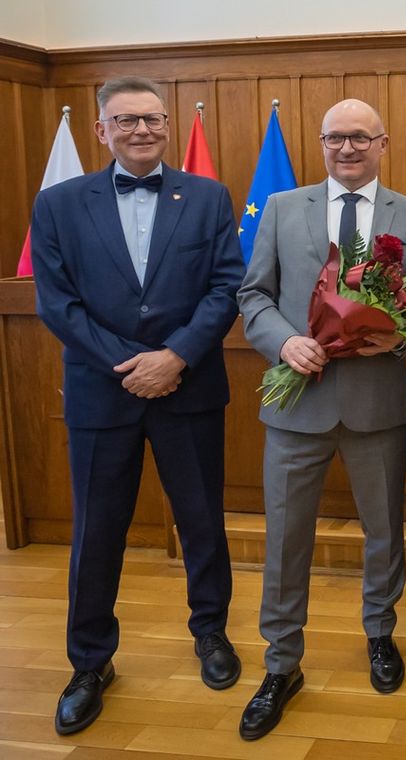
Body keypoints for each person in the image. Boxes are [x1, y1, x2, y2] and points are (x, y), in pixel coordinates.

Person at [31, 76, 245, 735]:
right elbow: (57, 304)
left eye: (153, 119)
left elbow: (225, 285)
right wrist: (131, 364)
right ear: (102, 130)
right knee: (97, 534)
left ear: (168, 125)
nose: (142, 130)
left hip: (190, 388)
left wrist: (174, 356)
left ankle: (211, 633)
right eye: (127, 121)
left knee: (203, 523)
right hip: (104, 393)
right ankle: (91, 662)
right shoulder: (59, 204)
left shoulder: (208, 197)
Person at [237, 98, 406, 740]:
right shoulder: (285, 208)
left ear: (383, 141)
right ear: (320, 144)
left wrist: (397, 339)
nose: (347, 148)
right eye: (335, 138)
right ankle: (281, 663)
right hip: (296, 403)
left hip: (377, 405)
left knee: (384, 533)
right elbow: (253, 294)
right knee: (286, 539)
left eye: (360, 138)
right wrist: (284, 341)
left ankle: (380, 634)